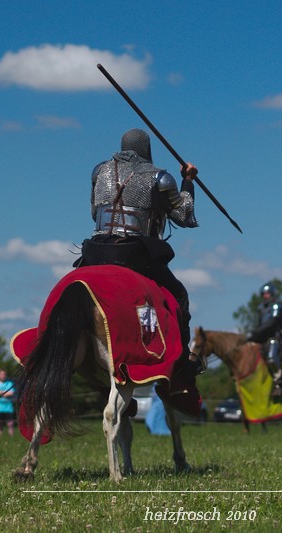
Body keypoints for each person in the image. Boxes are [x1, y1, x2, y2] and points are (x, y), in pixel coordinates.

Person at [77, 128, 204, 402]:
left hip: (97, 250)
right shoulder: (159, 177)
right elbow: (184, 215)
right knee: (178, 296)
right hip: (133, 253)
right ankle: (182, 368)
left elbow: (94, 212)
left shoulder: (100, 171)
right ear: (147, 149)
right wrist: (188, 181)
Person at [246, 281, 282, 398]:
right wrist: (253, 335)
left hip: (274, 337)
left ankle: (278, 383)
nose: (265, 296)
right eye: (263, 294)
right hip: (262, 338)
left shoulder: (276, 306)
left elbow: (272, 322)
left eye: (267, 293)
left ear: (272, 293)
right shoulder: (261, 308)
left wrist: (257, 332)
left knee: (272, 358)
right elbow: (259, 323)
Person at [0, 369, 15, 436]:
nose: (3, 376)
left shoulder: (10, 383)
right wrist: (6, 393)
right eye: (1, 374)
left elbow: (11, 393)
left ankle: (11, 438)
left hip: (8, 407)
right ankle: (0, 438)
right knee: (0, 424)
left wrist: (0, 393)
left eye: (4, 374)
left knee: (10, 424)